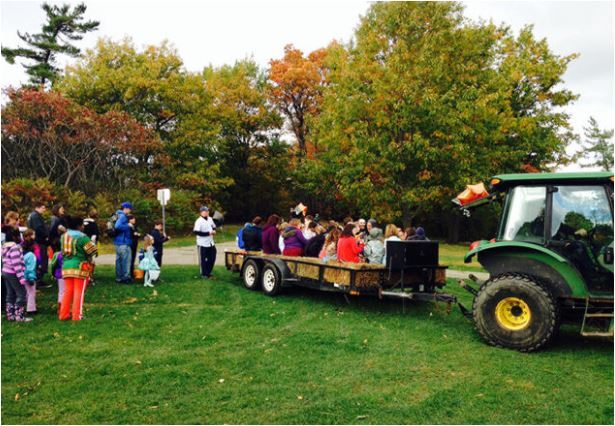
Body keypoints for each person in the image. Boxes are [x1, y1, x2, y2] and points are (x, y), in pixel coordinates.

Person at [59, 215, 97, 321]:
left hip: (66, 266)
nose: (83, 227)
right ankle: (77, 316)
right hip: (80, 266)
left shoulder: (63, 236)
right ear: (79, 226)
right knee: (79, 292)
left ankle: (63, 314)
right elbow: (92, 250)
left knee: (68, 291)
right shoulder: (82, 237)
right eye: (82, 225)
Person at [2, 227, 31, 322]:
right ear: (14, 237)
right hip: (13, 273)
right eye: (19, 235)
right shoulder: (15, 248)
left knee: (10, 293)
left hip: (5, 272)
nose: (21, 237)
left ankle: (10, 315)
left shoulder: (4, 246)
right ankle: (20, 316)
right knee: (21, 293)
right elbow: (16, 264)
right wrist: (21, 278)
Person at [27, 201, 49, 284]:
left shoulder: (32, 215)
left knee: (39, 260)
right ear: (38, 207)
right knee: (41, 260)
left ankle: (38, 279)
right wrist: (46, 236)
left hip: (36, 242)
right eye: (43, 208)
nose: (44, 210)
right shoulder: (36, 216)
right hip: (39, 242)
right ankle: (39, 280)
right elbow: (38, 229)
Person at [193, 206, 217, 279]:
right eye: (204, 211)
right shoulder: (199, 221)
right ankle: (204, 274)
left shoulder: (210, 219)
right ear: (201, 213)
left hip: (211, 242)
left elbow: (213, 226)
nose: (206, 212)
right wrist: (208, 233)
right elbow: (196, 232)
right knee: (202, 259)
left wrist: (214, 230)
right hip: (202, 243)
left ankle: (208, 272)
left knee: (212, 257)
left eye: (207, 211)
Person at [113, 202, 133, 284]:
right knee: (126, 260)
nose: (130, 211)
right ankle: (126, 277)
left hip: (118, 242)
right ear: (126, 208)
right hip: (124, 242)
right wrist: (128, 225)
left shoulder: (117, 215)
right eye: (130, 209)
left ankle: (119, 277)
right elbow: (117, 226)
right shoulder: (123, 216)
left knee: (119, 260)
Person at [22, 229, 38, 315]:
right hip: (29, 277)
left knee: (26, 293)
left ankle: (25, 307)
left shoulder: (22, 254)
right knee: (31, 292)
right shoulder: (31, 255)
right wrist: (32, 278)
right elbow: (30, 268)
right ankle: (31, 309)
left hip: (22, 276)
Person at [127, 214, 141, 280]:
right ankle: (129, 274)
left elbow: (136, 234)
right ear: (129, 220)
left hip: (134, 245)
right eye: (132, 219)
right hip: (131, 245)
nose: (134, 220)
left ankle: (132, 272)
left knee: (133, 259)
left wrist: (137, 234)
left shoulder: (133, 226)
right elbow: (132, 235)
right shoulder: (128, 227)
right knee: (130, 259)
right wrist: (136, 234)